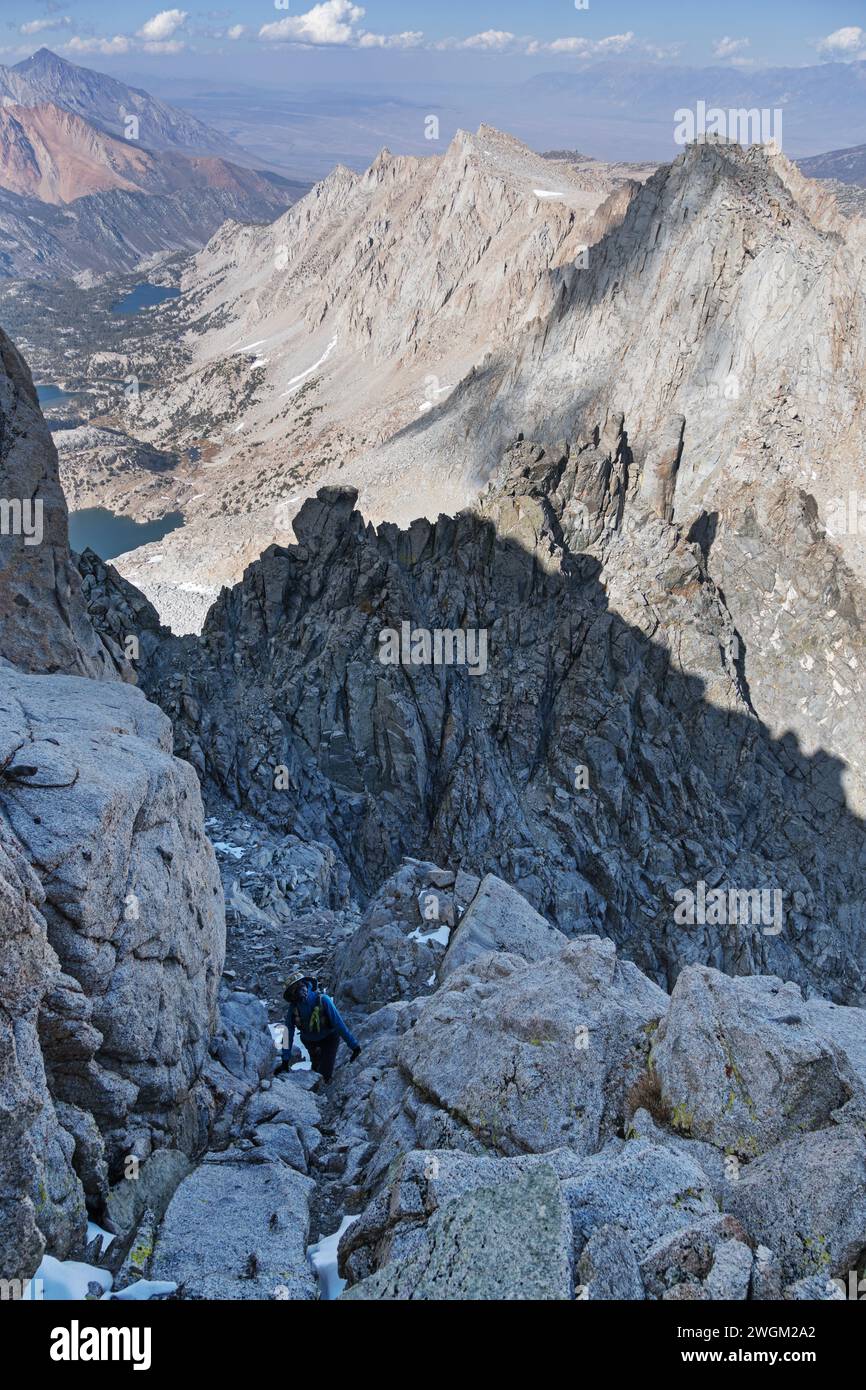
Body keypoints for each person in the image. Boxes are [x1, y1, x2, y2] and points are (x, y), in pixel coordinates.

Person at [276, 971, 361, 1082]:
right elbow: (288, 1033)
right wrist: (285, 1060)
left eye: (300, 984)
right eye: (294, 988)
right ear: (291, 994)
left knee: (324, 1075)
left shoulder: (323, 1000)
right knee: (316, 1070)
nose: (299, 989)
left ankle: (323, 1087)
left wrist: (355, 1047)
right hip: (310, 1042)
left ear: (305, 983)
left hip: (329, 1039)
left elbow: (339, 1024)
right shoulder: (294, 1008)